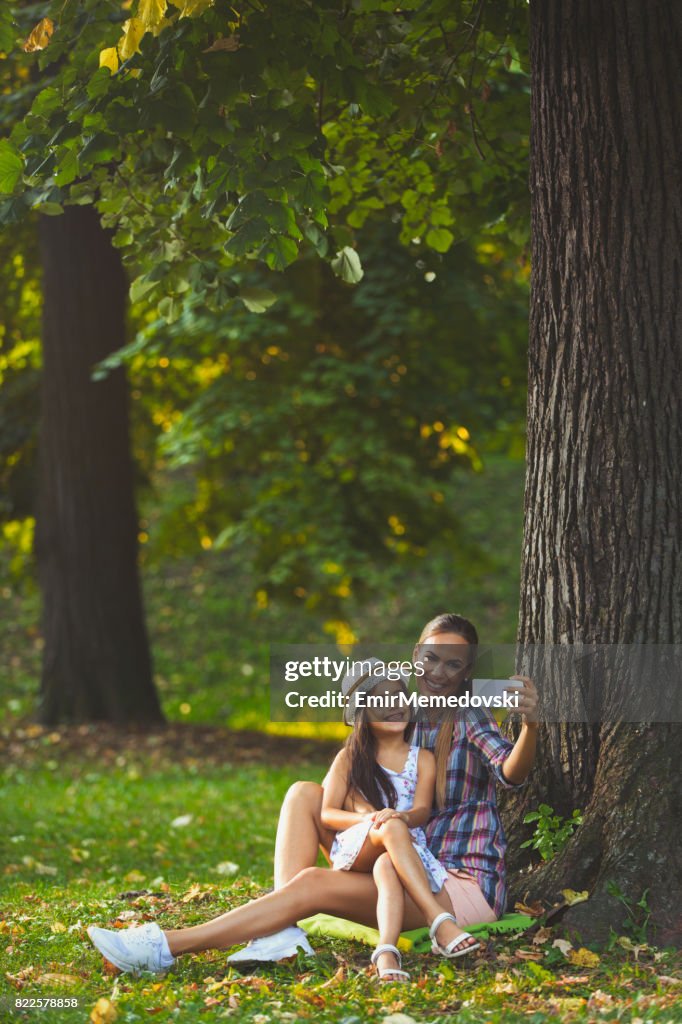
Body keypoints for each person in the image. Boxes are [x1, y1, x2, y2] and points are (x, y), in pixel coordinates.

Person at [86, 613, 538, 978]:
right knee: (304, 793)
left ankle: (166, 946)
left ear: (467, 672)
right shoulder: (401, 711)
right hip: (399, 863)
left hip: (459, 886)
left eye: (453, 664)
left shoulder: (467, 715)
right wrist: (369, 816)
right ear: (416, 656)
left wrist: (532, 726)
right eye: (431, 658)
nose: (438, 673)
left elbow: (509, 772)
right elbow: (363, 783)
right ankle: (281, 934)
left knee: (312, 884)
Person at [320, 663, 480, 982]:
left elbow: (422, 810)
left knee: (388, 866)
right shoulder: (350, 757)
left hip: (402, 845)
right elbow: (327, 813)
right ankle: (438, 920)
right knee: (392, 828)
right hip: (360, 843)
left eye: (399, 696)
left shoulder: (422, 757)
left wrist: (401, 817)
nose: (394, 705)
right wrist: (370, 818)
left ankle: (387, 952)